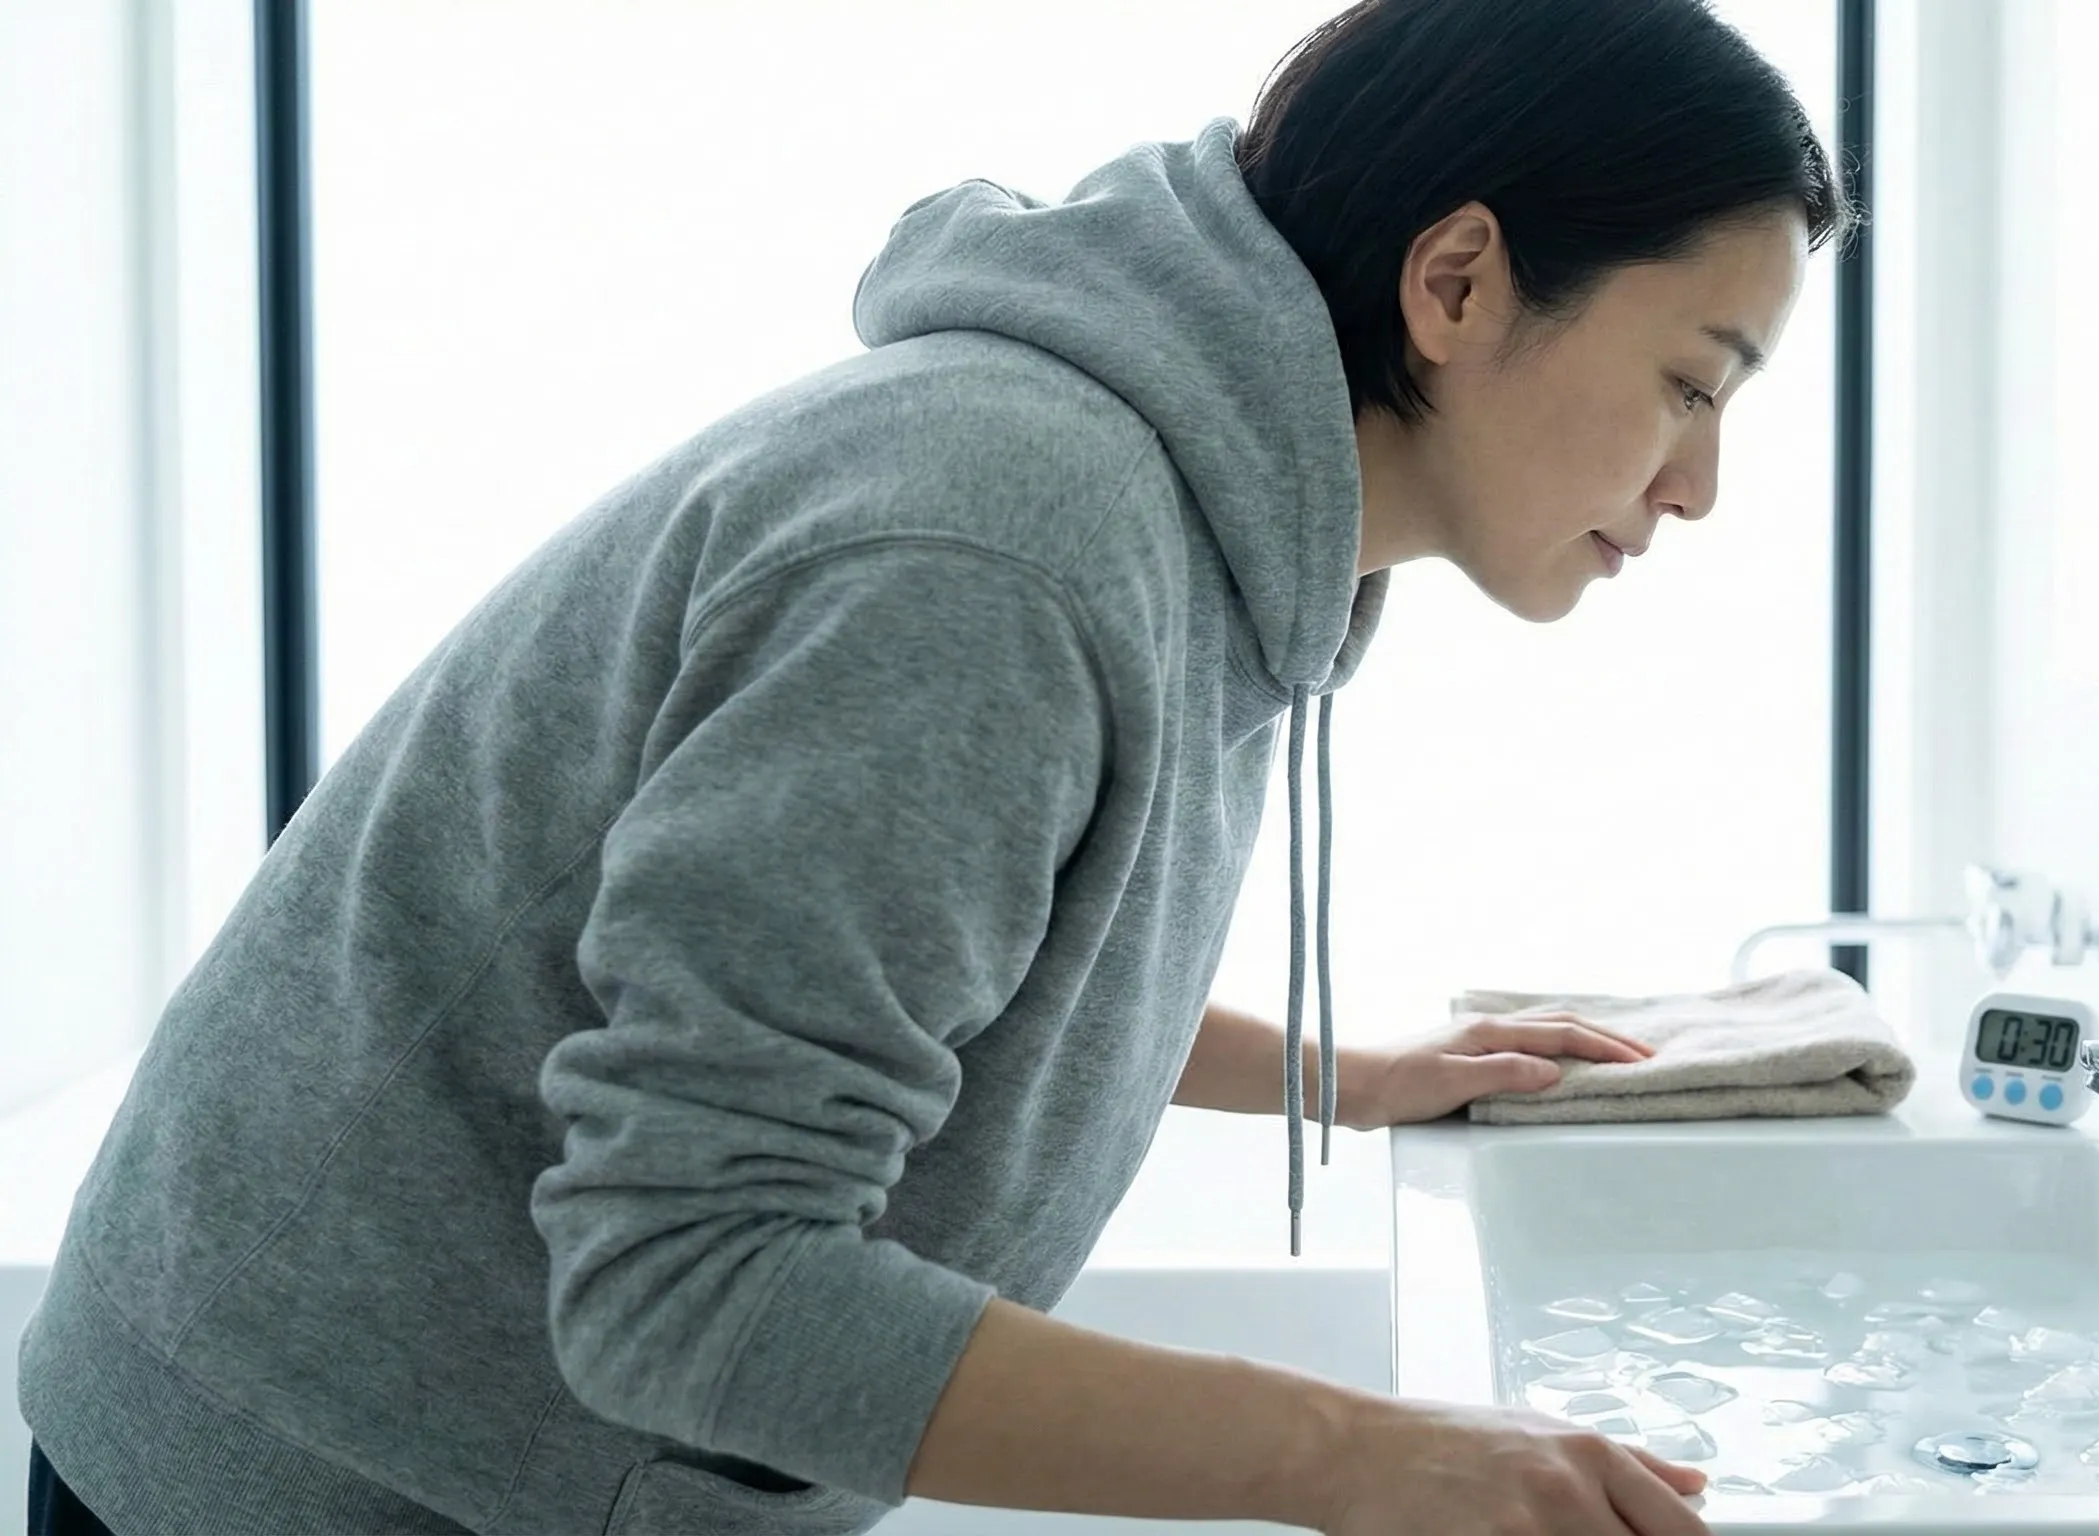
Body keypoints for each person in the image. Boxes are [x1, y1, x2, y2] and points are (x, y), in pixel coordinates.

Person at [16, 0, 1848, 1530]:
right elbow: (685, 1279)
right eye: (1696, 383)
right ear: (1456, 279)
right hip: (296, 1482)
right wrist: (1365, 1458)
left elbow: (940, 964)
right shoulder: (1000, 553)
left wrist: (1342, 1079)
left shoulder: (1173, 531)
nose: (1699, 489)